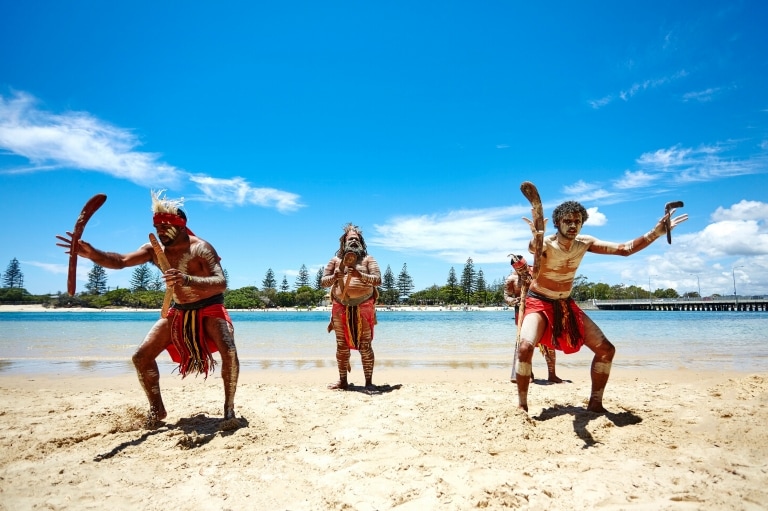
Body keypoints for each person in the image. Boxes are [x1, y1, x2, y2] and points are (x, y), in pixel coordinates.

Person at [56, 190, 239, 426]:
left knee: (229, 352)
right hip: (179, 310)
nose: (160, 232)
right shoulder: (154, 250)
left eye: (166, 227)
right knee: (141, 357)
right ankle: (156, 410)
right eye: (157, 227)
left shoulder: (201, 248)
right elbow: (121, 261)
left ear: (181, 226)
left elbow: (221, 283)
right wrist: (92, 254)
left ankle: (229, 409)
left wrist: (186, 279)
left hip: (210, 307)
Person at [514, 200, 687, 413]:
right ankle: (522, 406)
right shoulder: (547, 244)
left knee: (606, 350)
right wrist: (537, 236)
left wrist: (656, 232)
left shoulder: (584, 243)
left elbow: (624, 249)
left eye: (577, 221)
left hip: (565, 305)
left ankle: (596, 403)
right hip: (538, 301)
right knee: (525, 347)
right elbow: (533, 248)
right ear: (557, 223)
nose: (572, 225)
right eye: (567, 221)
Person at [321, 223, 382, 393]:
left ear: (361, 242)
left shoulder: (369, 260)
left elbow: (378, 280)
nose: (354, 240)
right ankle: (343, 381)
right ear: (344, 242)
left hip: (364, 307)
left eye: (357, 238)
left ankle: (368, 382)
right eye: (351, 238)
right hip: (341, 307)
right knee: (341, 346)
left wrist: (359, 275)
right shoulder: (335, 261)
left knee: (365, 346)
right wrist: (335, 276)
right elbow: (323, 282)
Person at [504, 255, 561, 384]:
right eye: (521, 269)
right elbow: (506, 296)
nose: (525, 270)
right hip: (522, 313)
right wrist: (514, 300)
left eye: (525, 267)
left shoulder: (535, 272)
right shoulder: (511, 279)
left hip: (541, 310)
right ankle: (528, 373)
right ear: (515, 269)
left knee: (548, 343)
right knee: (526, 344)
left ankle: (552, 374)